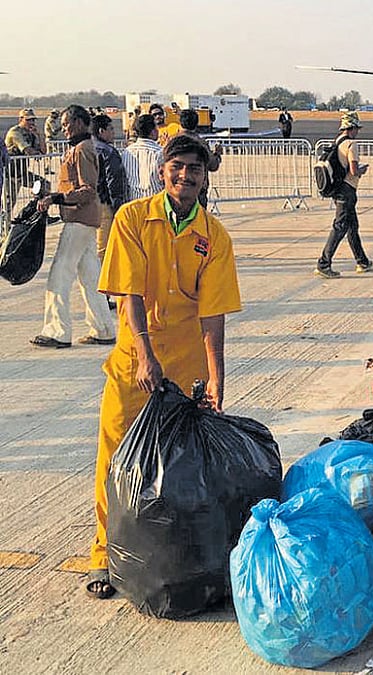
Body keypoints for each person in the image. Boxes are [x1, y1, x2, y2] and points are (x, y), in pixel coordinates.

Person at [86, 134, 242, 599]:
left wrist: (216, 376)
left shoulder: (213, 236)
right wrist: (145, 355)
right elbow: (128, 293)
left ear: (204, 176)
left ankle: (172, 555)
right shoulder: (134, 219)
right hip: (136, 361)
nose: (185, 175)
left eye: (195, 168)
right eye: (177, 166)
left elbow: (212, 314)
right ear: (162, 171)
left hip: (187, 366)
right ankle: (104, 556)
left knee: (181, 466)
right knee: (114, 458)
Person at [30, 105, 118, 349]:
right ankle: (103, 329)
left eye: (67, 124)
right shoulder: (82, 148)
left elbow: (87, 190)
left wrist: (57, 198)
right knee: (90, 278)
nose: (64, 129)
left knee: (60, 273)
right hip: (85, 220)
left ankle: (57, 331)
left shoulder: (82, 150)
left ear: (80, 122)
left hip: (79, 219)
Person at [315, 111, 372, 278]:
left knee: (352, 227)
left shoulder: (337, 142)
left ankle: (362, 261)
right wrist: (362, 169)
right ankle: (323, 263)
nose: (357, 132)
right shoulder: (351, 144)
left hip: (338, 189)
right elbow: (353, 170)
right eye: (356, 129)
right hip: (347, 190)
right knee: (340, 227)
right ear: (352, 128)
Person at [90, 114, 128, 264]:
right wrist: (117, 205)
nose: (113, 132)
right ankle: (100, 280)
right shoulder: (108, 152)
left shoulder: (85, 148)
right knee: (103, 247)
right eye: (111, 129)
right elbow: (113, 181)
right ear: (101, 131)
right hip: (104, 203)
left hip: (88, 203)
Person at [178, 108, 222, 208]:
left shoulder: (172, 142)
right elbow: (213, 165)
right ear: (196, 123)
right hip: (197, 189)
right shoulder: (200, 143)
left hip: (177, 189)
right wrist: (217, 154)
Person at [4, 108, 47, 210]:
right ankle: (4, 225)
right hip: (10, 174)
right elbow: (28, 150)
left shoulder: (30, 134)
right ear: (21, 119)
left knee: (43, 185)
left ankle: (38, 213)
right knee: (9, 203)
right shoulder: (15, 132)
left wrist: (40, 135)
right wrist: (35, 152)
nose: (31, 122)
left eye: (33, 120)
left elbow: (43, 151)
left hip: (22, 173)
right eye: (28, 120)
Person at [120, 114, 164, 201]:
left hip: (133, 203)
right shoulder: (159, 152)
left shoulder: (126, 152)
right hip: (155, 202)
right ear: (152, 131)